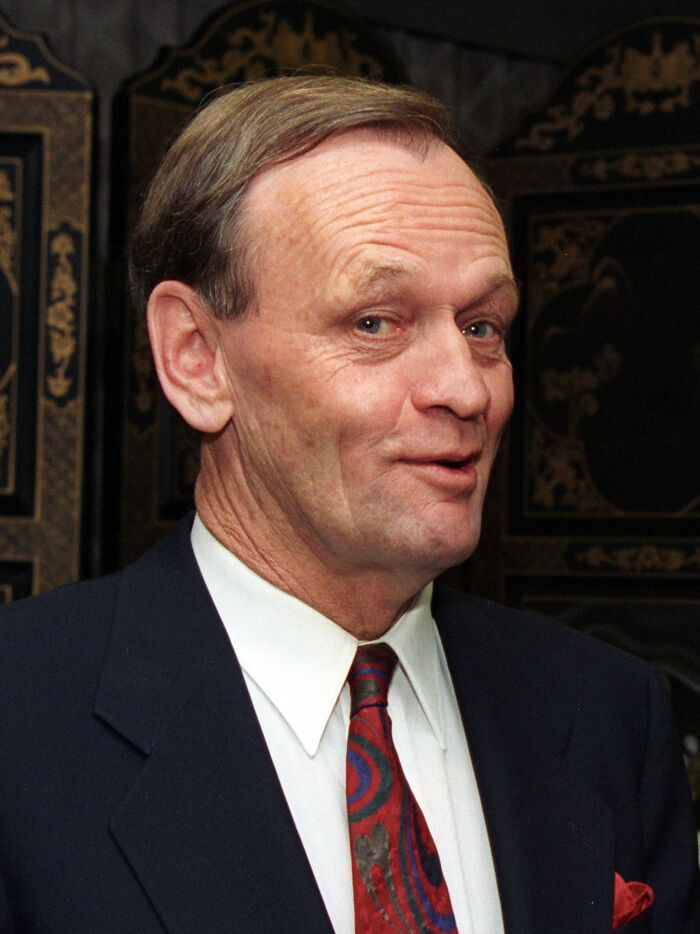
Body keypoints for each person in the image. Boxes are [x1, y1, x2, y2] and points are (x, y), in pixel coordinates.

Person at [0, 75, 697, 934]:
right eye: (376, 322)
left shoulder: (606, 715)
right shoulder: (20, 723)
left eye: (483, 327)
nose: (464, 391)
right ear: (195, 359)